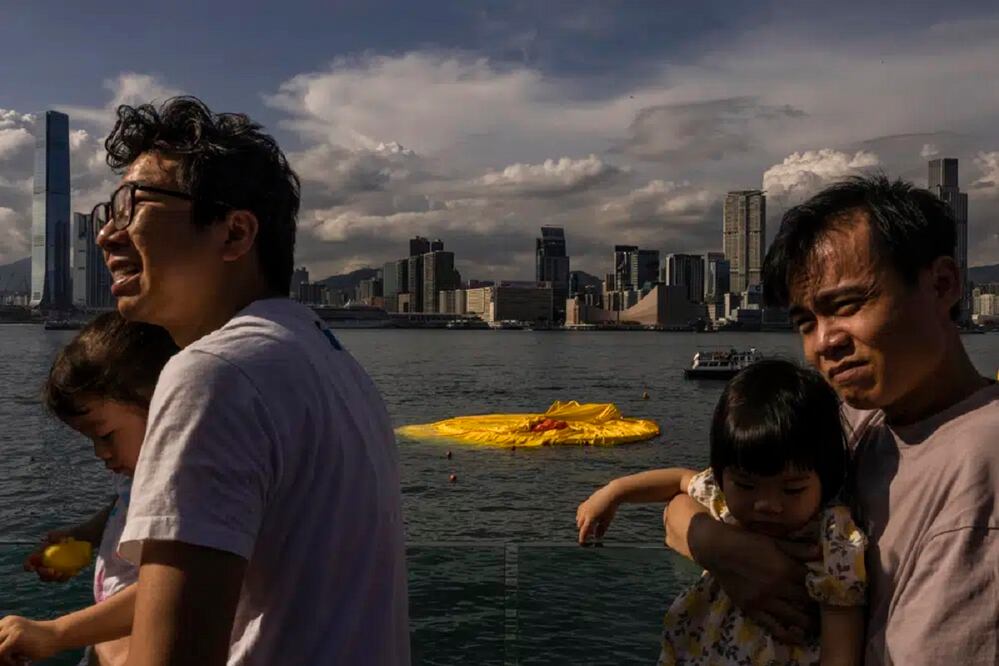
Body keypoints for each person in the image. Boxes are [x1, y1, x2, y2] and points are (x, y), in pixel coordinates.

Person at [93, 97, 410, 665]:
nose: (107, 235)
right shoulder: (329, 360)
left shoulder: (214, 374)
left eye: (131, 205)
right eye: (107, 211)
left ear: (235, 233)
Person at [663, 174, 998, 665]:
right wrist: (728, 551)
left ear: (942, 284)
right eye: (806, 322)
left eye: (846, 306)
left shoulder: (983, 470)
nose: (824, 342)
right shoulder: (860, 421)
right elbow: (683, 507)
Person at [577, 359, 866, 665]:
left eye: (792, 490)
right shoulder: (723, 501)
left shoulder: (833, 539)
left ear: (827, 478)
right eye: (746, 485)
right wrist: (614, 492)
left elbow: (841, 648)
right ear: (723, 474)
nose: (767, 504)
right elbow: (679, 479)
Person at [0, 312, 178, 665]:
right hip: (106, 646)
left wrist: (56, 632)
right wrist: (84, 535)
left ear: (164, 404)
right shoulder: (139, 476)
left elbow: (169, 589)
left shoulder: (182, 487)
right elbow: (124, 505)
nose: (100, 453)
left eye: (106, 435)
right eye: (91, 440)